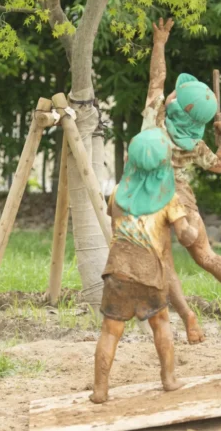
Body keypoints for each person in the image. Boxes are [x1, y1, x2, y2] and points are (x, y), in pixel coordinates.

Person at [143, 19, 221, 344]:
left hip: (153, 198)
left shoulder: (154, 119)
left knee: (165, 263)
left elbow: (157, 77)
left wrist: (160, 43)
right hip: (184, 200)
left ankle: (189, 317)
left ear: (174, 106)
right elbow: (220, 166)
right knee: (205, 255)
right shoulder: (196, 144)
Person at [90, 128, 199, 403]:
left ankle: (101, 389)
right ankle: (169, 379)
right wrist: (192, 229)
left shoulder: (116, 194)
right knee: (161, 323)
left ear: (130, 162)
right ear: (165, 165)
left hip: (118, 273)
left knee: (110, 331)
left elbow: (113, 217)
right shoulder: (169, 201)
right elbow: (185, 235)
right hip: (151, 276)